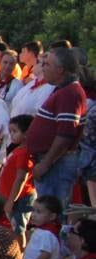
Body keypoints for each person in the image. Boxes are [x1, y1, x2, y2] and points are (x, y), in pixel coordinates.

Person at [26, 46, 87, 202]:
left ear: (60, 70)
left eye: (47, 65)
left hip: (57, 165)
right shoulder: (62, 90)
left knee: (53, 211)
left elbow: (65, 135)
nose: (43, 68)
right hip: (53, 163)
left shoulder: (70, 93)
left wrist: (46, 163)